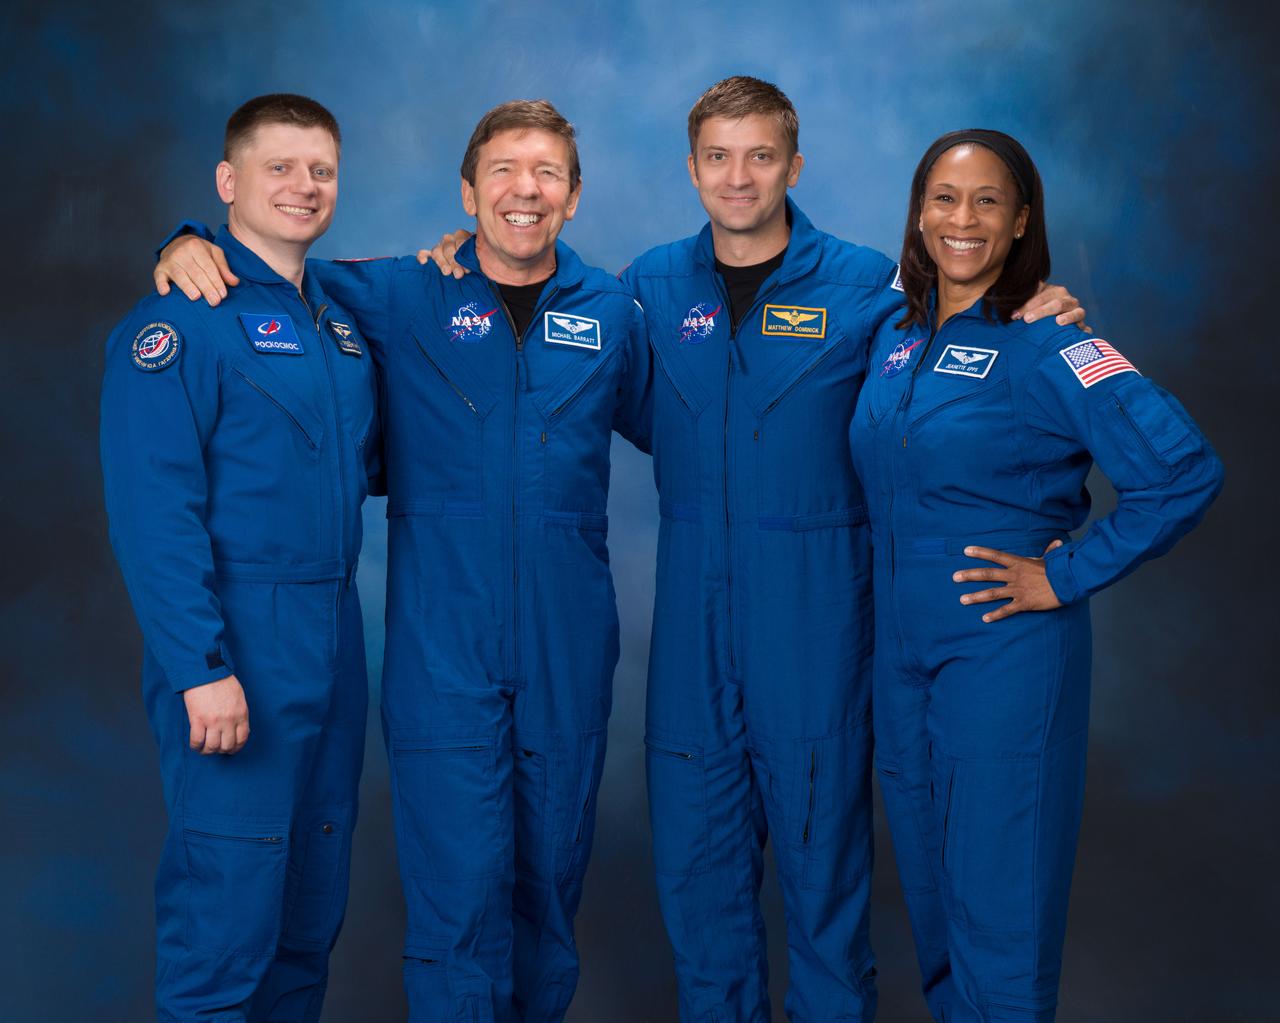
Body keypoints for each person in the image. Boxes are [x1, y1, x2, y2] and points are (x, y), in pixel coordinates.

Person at [422, 77, 1086, 1023]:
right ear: (692, 169)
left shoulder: (870, 286)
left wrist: (1037, 301)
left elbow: (970, 304)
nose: (740, 177)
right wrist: (465, 253)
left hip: (816, 627)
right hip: (692, 638)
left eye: (761, 155)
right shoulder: (645, 288)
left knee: (824, 901)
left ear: (794, 166)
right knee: (702, 900)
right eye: (719, 156)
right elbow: (546, 322)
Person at [153, 99, 652, 1023]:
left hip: (569, 649)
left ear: (575, 198)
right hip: (443, 650)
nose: (524, 190)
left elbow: (708, 424)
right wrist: (187, 241)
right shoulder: (400, 294)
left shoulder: (617, 313)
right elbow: (276, 265)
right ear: (469, 193)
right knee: (457, 904)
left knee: (549, 895)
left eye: (547, 173)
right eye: (503, 170)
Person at [849, 130, 1223, 1022]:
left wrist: (1066, 574)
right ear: (918, 211)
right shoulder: (893, 334)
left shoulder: (1049, 340)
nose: (962, 219)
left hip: (1003, 655)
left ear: (1021, 221)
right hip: (899, 660)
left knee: (998, 915)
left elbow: (1184, 471)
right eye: (944, 197)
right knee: (934, 909)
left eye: (986, 201)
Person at [100, 94, 380, 1023]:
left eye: (322, 171)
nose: (305, 187)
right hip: (239, 645)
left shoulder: (338, 321)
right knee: (228, 919)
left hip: (334, 639)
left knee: (307, 916)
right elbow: (154, 515)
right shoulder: (181, 324)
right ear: (229, 183)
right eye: (280, 168)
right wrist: (200, 666)